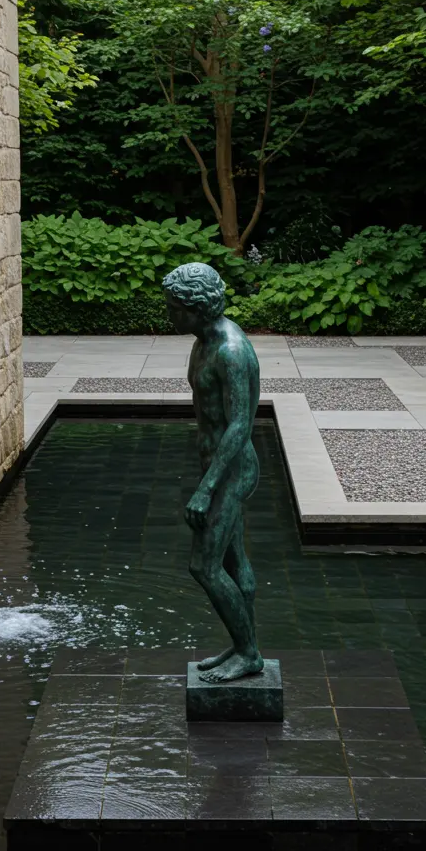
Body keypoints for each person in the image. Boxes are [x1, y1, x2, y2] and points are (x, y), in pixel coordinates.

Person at [162, 261, 264, 683]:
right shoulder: (203, 339)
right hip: (216, 464)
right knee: (235, 560)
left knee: (204, 566)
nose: (170, 315)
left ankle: (248, 652)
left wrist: (205, 489)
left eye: (175, 308)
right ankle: (244, 646)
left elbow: (241, 424)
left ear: (197, 307)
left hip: (232, 471)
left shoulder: (231, 350)